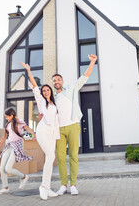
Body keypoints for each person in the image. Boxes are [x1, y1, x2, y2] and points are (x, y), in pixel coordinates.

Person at [53, 54, 97, 196]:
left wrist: (92, 62)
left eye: (58, 80)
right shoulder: (52, 97)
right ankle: (63, 185)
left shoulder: (71, 88)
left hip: (73, 125)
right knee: (60, 157)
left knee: (73, 156)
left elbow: (85, 77)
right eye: (54, 81)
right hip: (58, 129)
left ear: (62, 81)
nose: (56, 82)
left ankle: (73, 185)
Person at [21, 61, 60, 200]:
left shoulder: (53, 104)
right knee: (50, 156)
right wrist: (29, 71)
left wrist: (56, 136)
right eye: (44, 91)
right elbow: (34, 85)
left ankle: (48, 187)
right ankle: (43, 187)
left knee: (50, 157)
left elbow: (55, 121)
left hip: (52, 133)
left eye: (47, 90)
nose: (45, 92)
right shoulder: (41, 101)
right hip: (43, 131)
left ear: (51, 91)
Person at [0, 107, 36, 195]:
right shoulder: (8, 125)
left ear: (11, 115)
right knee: (2, 168)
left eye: (7, 117)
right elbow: (4, 137)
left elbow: (28, 129)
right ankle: (5, 188)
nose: (6, 118)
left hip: (17, 146)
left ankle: (23, 177)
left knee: (8, 168)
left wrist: (33, 134)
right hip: (9, 145)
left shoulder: (20, 122)